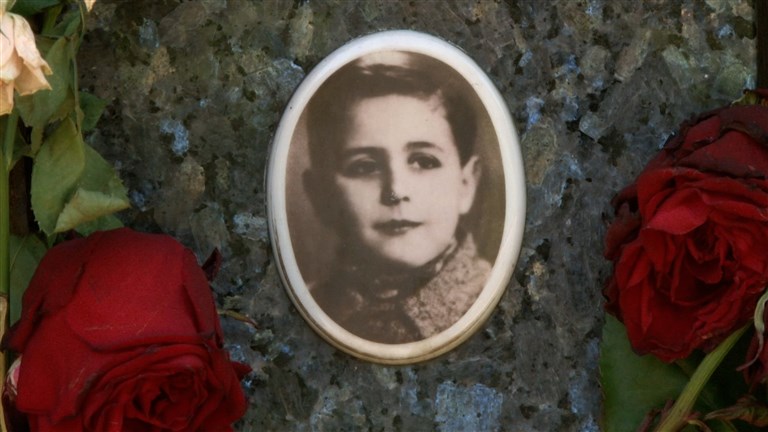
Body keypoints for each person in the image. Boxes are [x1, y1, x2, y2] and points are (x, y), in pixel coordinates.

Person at [300, 51, 493, 344]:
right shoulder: (305, 309)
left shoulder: (504, 302)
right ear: (321, 196)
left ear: (466, 184)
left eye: (424, 161)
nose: (396, 191)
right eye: (364, 166)